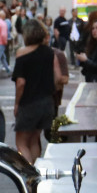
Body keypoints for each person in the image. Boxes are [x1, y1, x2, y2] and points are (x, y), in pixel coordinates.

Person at [12, 20, 60, 164]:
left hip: (28, 103)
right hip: (46, 103)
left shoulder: (22, 52)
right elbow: (57, 78)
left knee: (21, 143)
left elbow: (20, 82)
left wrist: (16, 103)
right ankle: (38, 175)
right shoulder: (49, 52)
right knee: (34, 140)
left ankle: (30, 177)